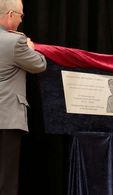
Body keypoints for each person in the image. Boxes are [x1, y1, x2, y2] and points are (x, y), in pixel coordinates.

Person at [0, 0, 47, 194]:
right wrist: (30, 47)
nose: (21, 20)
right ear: (10, 14)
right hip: (7, 120)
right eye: (20, 15)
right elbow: (39, 64)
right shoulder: (15, 41)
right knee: (5, 180)